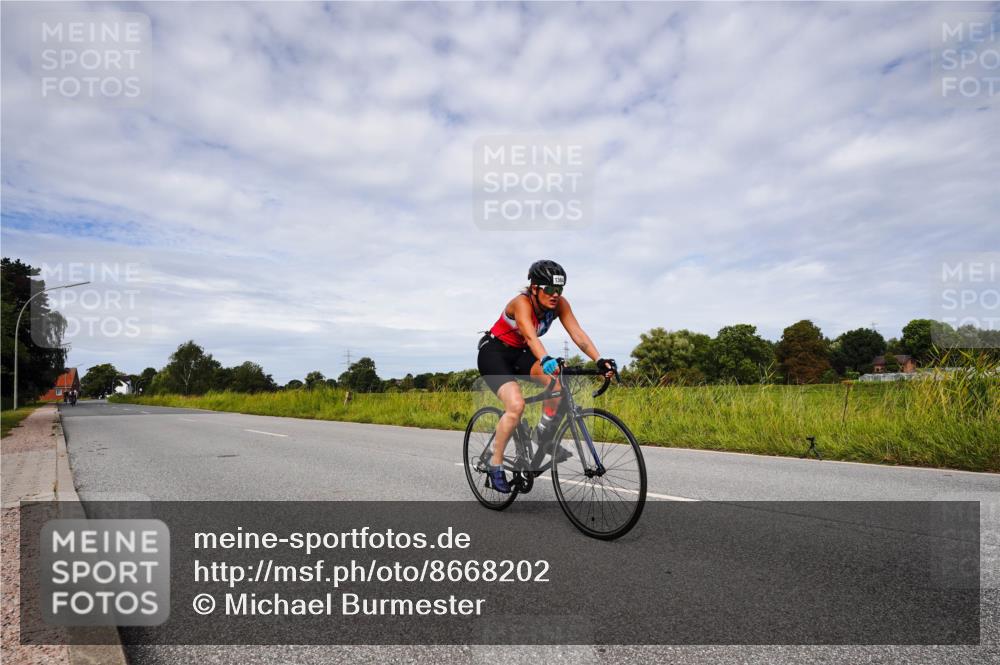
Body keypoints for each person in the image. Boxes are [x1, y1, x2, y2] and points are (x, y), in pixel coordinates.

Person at [476, 260, 616, 493]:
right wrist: (545, 359)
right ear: (534, 288)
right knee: (516, 405)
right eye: (549, 289)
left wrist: (599, 360)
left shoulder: (560, 305)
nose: (555, 295)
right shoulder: (521, 303)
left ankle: (543, 433)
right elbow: (531, 338)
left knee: (558, 383)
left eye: (559, 290)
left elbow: (577, 334)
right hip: (495, 354)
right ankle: (495, 464)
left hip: (521, 354)